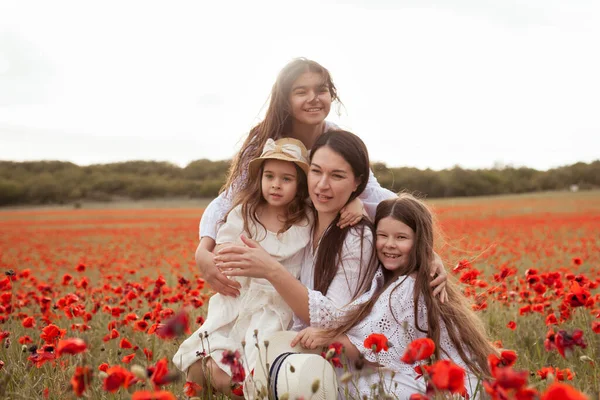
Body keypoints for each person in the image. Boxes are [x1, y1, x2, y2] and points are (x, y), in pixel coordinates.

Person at [215, 131, 448, 398]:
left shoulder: (358, 237)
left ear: (357, 182)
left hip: (340, 360)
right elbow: (228, 204)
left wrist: (270, 270)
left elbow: (330, 318)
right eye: (316, 171)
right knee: (208, 369)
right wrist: (206, 247)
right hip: (289, 338)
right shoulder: (302, 214)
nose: (322, 185)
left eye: (337, 176)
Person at [195, 58, 449, 300]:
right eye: (301, 91)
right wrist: (203, 249)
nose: (313, 98)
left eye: (321, 90)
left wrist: (425, 249)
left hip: (317, 242)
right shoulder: (265, 140)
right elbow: (230, 197)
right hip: (277, 240)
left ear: (332, 96)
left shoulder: (336, 138)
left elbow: (375, 193)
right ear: (285, 100)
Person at [291, 194, 498, 399]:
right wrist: (356, 203)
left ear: (419, 241)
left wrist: (325, 337)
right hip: (429, 377)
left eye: (401, 237)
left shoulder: (407, 287)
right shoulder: (392, 277)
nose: (389, 244)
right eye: (382, 235)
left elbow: (370, 348)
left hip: (431, 385)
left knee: (357, 387)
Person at [174, 138, 313, 399]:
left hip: (276, 306)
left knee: (250, 373)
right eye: (269, 176)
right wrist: (224, 258)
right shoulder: (245, 212)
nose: (275, 185)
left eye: (286, 179)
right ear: (259, 178)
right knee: (203, 356)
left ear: (300, 185)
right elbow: (225, 247)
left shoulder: (306, 219)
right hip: (239, 296)